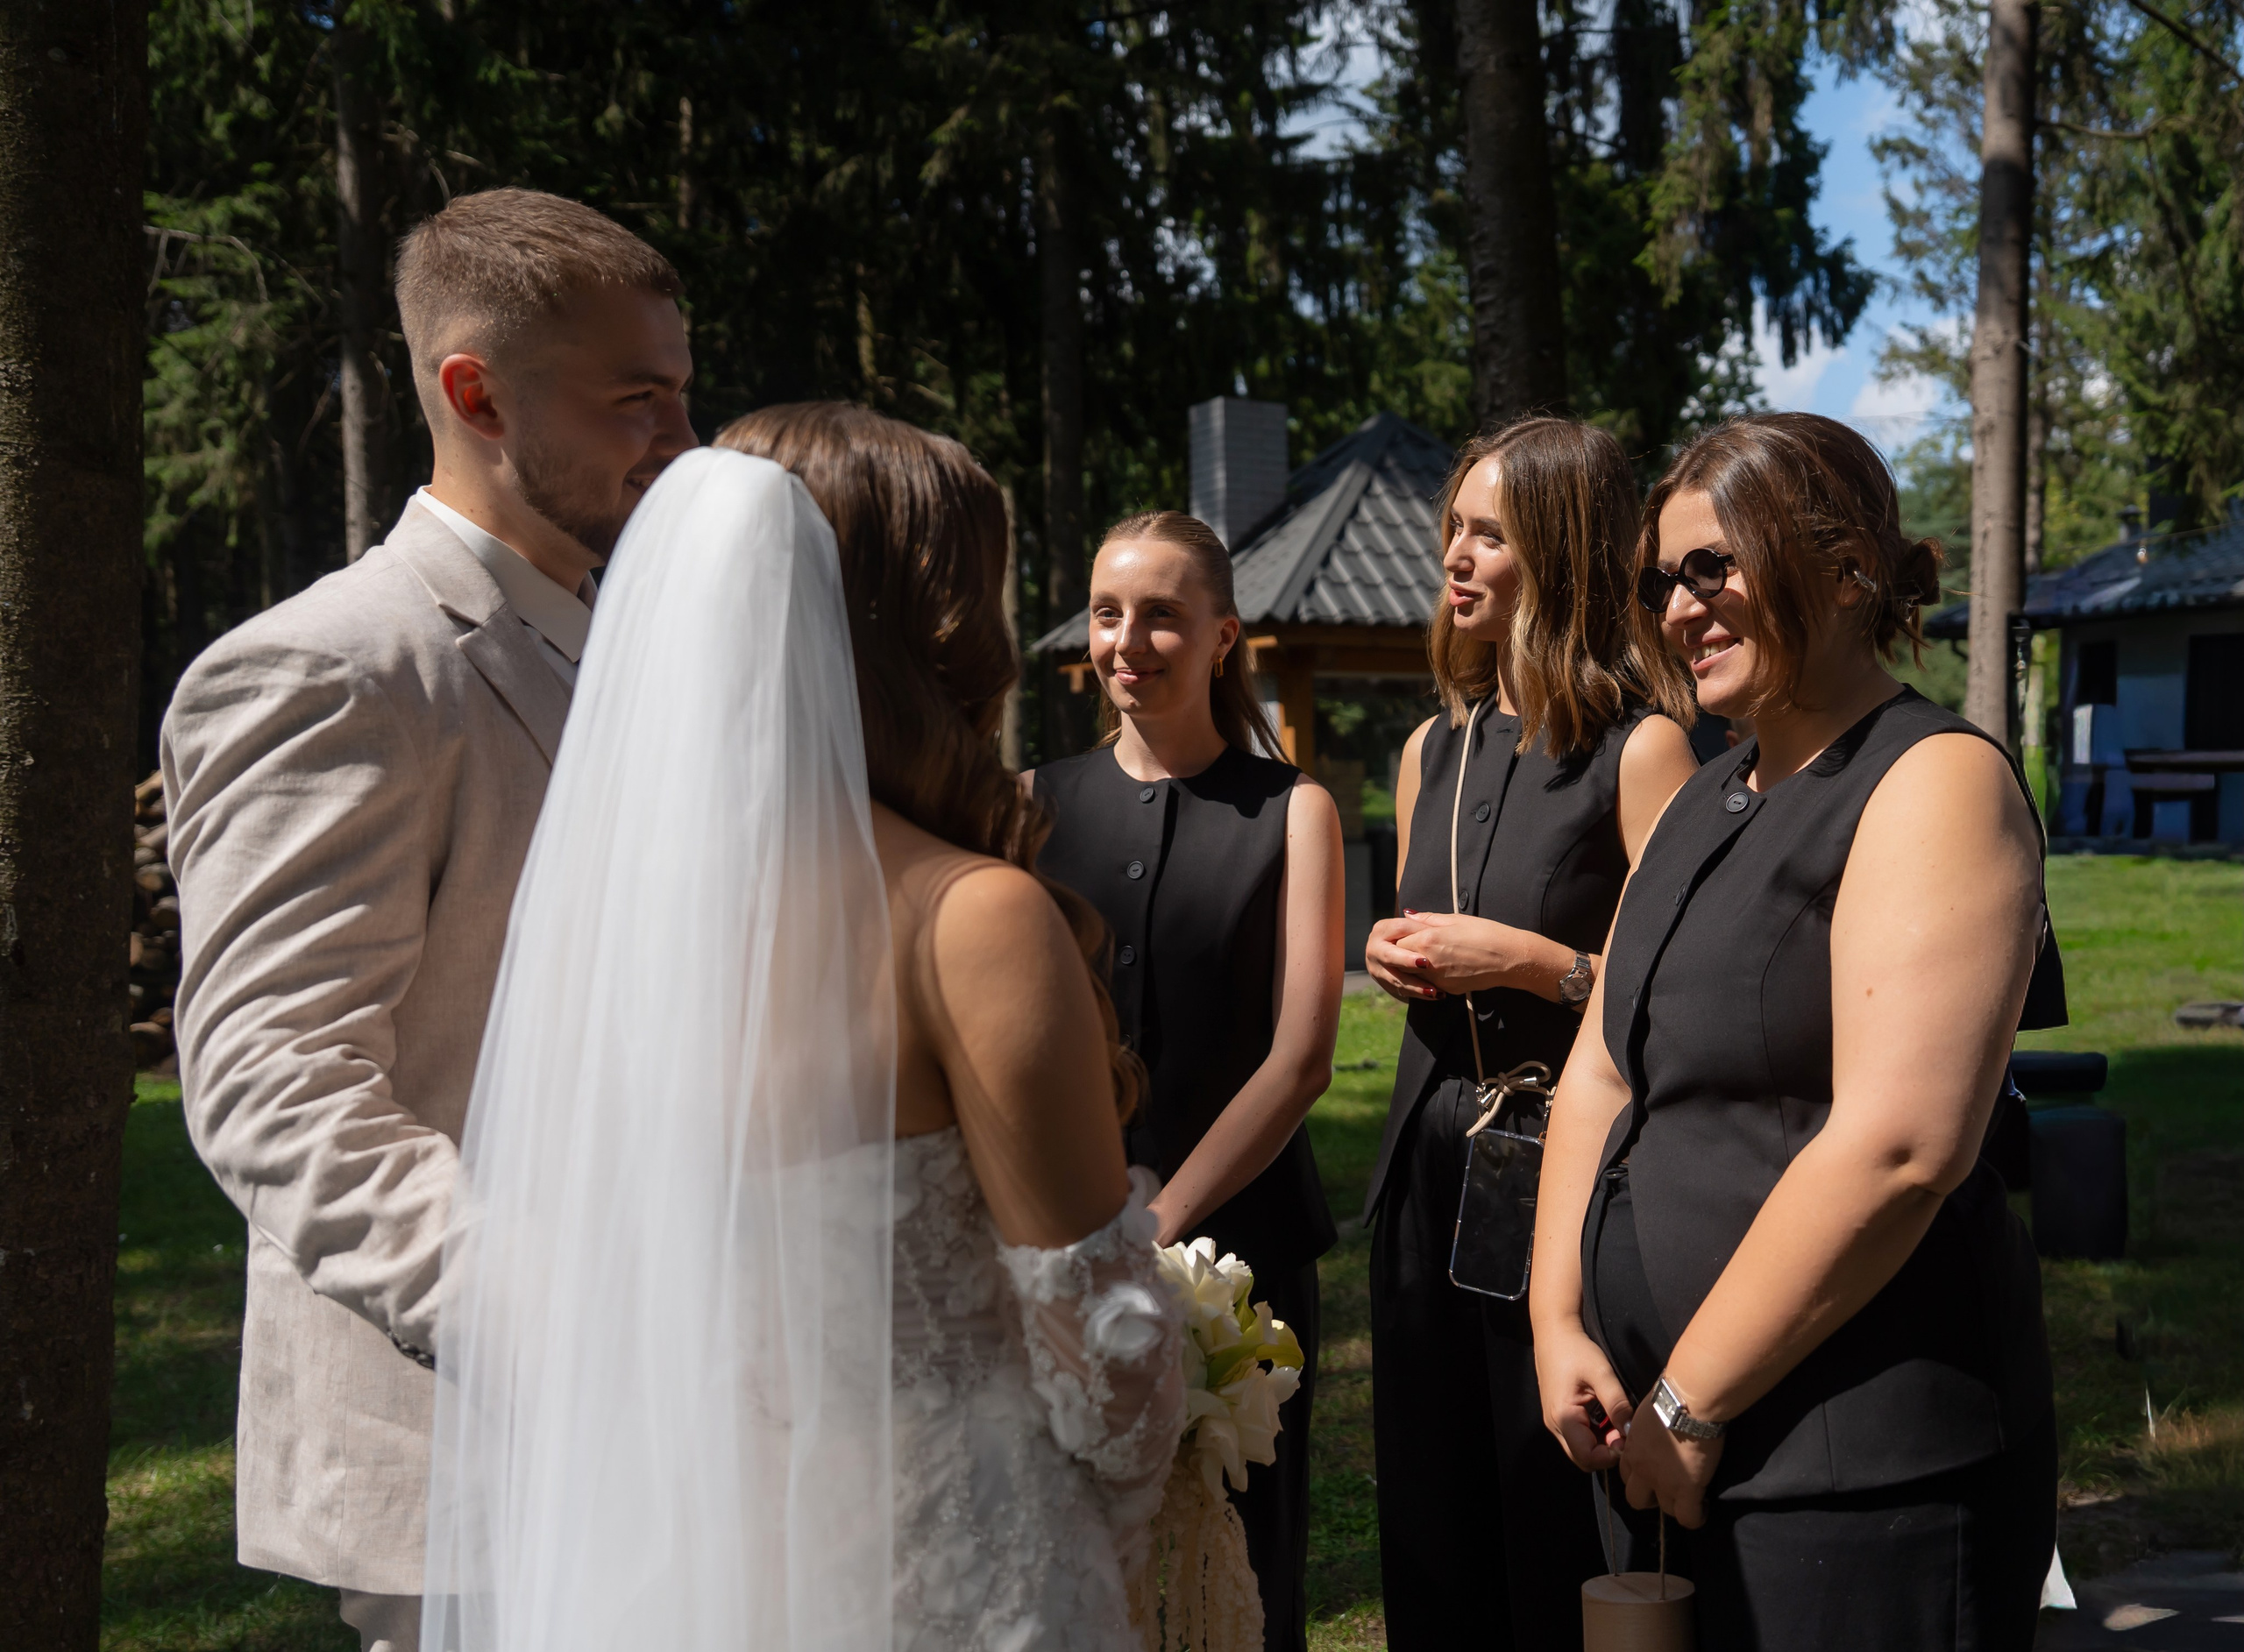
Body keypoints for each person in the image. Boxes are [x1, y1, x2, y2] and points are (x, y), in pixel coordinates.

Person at [422, 407, 1187, 1652]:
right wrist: (1186, 1384)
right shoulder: (970, 921)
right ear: (929, 631)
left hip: (702, 1572)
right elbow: (1114, 1387)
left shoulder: (614, 933)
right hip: (958, 1576)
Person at [161, 189, 694, 1652]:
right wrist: (565, 1324)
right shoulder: (332, 668)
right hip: (469, 1450)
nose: (683, 439)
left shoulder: (627, 647)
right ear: (475, 393)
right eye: (637, 397)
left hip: (673, 1447)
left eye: (682, 391)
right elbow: (276, 1084)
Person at [1530, 412, 2063, 1649]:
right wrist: (1558, 1319)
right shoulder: (1704, 795)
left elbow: (1900, 1145)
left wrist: (1692, 1399)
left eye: (1713, 566)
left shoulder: (1932, 780)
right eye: (1661, 579)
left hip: (1857, 1474)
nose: (1677, 606)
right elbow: (1603, 1067)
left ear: (1843, 566)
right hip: (1657, 1443)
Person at [1359, 417, 1699, 1649]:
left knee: (1545, 1500)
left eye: (1487, 532)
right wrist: (1397, 958)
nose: (1454, 554)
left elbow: (1680, 995)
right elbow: (1421, 923)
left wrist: (1531, 964)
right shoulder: (1424, 747)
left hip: (1564, 1161)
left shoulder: (1641, 746)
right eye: (1452, 526)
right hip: (1426, 1154)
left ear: (1556, 552)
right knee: (1431, 1497)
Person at [1031, 510, 1345, 1652]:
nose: (1129, 639)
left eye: (1162, 613)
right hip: (1059, 1247)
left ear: (1222, 636)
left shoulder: (1293, 811)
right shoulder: (1032, 802)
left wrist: (1159, 1220)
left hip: (1243, 1259)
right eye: (1111, 613)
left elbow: (1302, 1055)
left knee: (1238, 1575)